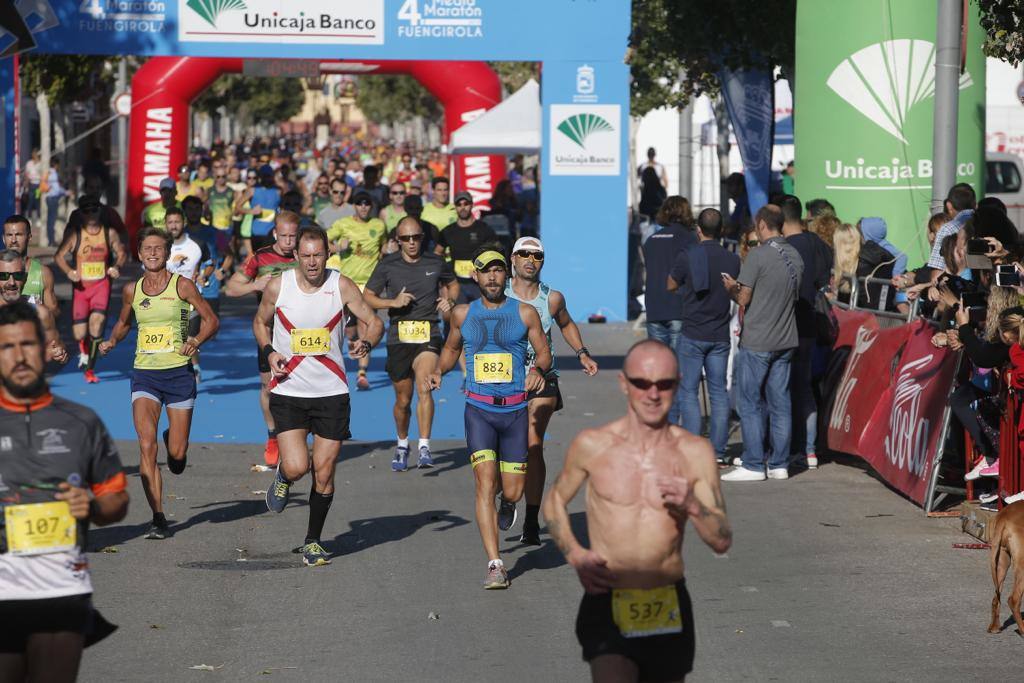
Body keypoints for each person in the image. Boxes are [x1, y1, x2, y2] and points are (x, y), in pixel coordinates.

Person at [543, 339, 731, 682]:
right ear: (624, 384)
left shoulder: (695, 453)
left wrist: (692, 504)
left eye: (664, 384)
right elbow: (554, 500)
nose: (653, 393)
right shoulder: (593, 445)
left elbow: (721, 539)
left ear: (678, 385)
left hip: (667, 601)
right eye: (642, 383)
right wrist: (576, 555)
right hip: (607, 598)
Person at [0, 301, 129, 682]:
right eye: (7, 347)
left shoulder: (80, 422)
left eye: (27, 344)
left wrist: (90, 506)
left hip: (60, 593)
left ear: (44, 350)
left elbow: (117, 500)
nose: (19, 356)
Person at [257, 226, 383, 566]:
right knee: (299, 467)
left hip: (331, 393)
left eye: (318, 255)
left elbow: (374, 322)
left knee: (324, 473)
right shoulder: (277, 285)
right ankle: (284, 475)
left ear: (328, 254)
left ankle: (313, 540)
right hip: (289, 391)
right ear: (295, 255)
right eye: (306, 255)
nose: (312, 263)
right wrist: (269, 352)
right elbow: (259, 321)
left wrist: (366, 342)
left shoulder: (340, 285)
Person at [426, 246, 550, 588]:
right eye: (486, 271)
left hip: (514, 411)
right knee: (485, 482)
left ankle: (509, 503)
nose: (493, 276)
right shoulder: (463, 314)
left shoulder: (525, 313)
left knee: (513, 489)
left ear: (505, 275)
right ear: (475, 276)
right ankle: (495, 564)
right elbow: (451, 349)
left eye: (498, 271)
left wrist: (538, 369)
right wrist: (439, 370)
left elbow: (544, 352)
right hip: (479, 410)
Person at [100, 227, 218, 538]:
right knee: (145, 445)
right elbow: (124, 323)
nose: (152, 253)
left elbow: (211, 320)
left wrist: (195, 340)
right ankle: (158, 516)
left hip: (179, 374)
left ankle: (175, 447)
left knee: (176, 455)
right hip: (145, 375)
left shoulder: (183, 286)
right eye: (147, 248)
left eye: (158, 249)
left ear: (167, 254)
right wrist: (112, 340)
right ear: (139, 254)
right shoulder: (132, 290)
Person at [506, 237, 598, 545]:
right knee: (501, 447)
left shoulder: (552, 298)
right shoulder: (497, 293)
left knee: (533, 445)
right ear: (513, 259)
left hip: (542, 376)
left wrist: (582, 352)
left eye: (537, 256)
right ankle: (507, 495)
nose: (530, 260)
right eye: (524, 254)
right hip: (502, 380)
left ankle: (531, 520)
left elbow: (566, 324)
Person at [363, 217, 457, 471]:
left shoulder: (435, 262)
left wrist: (450, 301)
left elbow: (453, 283)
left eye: (416, 237)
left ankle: (424, 445)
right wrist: (392, 303)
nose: (412, 242)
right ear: (398, 240)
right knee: (403, 401)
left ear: (421, 238)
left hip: (429, 333)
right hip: (398, 338)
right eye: (406, 239)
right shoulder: (387, 265)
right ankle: (403, 443)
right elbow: (368, 297)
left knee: (425, 387)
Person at [721, 205, 803, 481]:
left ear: (763, 225)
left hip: (758, 339)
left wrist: (731, 286)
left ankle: (754, 463)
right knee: (780, 402)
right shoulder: (794, 255)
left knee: (751, 402)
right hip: (786, 337)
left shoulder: (758, 255)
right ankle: (779, 463)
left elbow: (743, 299)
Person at [224, 212, 299, 466]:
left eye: (293, 236)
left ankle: (296, 439)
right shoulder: (260, 257)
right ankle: (272, 436)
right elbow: (231, 288)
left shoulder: (306, 255)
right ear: (275, 234)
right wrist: (254, 286)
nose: (289, 242)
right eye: (284, 236)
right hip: (268, 330)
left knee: (301, 387)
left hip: (300, 333)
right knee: (269, 386)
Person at [667, 208, 741, 465]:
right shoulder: (733, 260)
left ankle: (690, 450)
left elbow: (670, 284)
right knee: (718, 393)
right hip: (720, 334)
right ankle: (718, 452)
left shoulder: (688, 255)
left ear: (698, 229)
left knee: (688, 392)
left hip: (692, 332)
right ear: (722, 231)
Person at [780, 195, 833, 470]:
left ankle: (792, 449)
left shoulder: (784, 249)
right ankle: (810, 450)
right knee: (807, 390)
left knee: (787, 390)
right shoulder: (820, 245)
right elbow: (828, 282)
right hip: (813, 325)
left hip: (788, 326)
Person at [642, 196, 697, 425]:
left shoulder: (651, 240)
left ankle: (661, 420)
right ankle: (674, 422)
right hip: (679, 307)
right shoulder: (689, 239)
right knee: (678, 372)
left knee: (659, 372)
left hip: (654, 307)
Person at [53, 210, 126, 383]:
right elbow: (58, 256)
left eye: (95, 208)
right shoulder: (76, 234)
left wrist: (117, 267)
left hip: (101, 285)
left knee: (97, 323)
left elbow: (122, 253)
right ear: (83, 214)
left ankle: (90, 369)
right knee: (79, 333)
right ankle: (84, 351)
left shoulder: (109, 233)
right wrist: (69, 272)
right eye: (88, 209)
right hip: (81, 288)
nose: (91, 213)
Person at [326, 189, 386, 391]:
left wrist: (389, 250)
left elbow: (383, 247)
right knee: (350, 330)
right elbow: (322, 242)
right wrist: (336, 248)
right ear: (354, 206)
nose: (363, 207)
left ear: (371, 206)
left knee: (366, 325)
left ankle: (362, 374)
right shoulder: (344, 224)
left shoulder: (378, 225)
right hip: (349, 284)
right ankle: (353, 341)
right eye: (359, 203)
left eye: (367, 203)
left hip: (370, 285)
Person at [0, 250, 68, 364]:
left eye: (18, 275)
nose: (11, 282)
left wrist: (58, 353)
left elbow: (58, 346)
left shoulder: (40, 314)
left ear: (25, 278)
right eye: (3, 276)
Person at [435, 191, 496, 303]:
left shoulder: (484, 229)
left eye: (466, 203)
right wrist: (444, 276)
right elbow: (437, 253)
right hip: (456, 284)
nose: (463, 207)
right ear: (455, 207)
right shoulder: (448, 231)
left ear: (472, 205)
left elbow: (495, 254)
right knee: (457, 317)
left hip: (479, 283)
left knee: (481, 317)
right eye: (459, 204)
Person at [2, 214, 59, 316]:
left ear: (29, 237)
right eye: (9, 235)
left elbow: (53, 312)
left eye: (19, 235)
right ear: (3, 239)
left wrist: (34, 309)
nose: (14, 240)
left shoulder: (43, 273)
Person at [927, 183, 977, 274]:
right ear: (975, 204)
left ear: (949, 206)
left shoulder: (947, 229)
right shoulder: (986, 223)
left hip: (959, 284)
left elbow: (936, 273)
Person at [249, 167, 282, 252]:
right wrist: (251, 211)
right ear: (260, 177)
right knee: (258, 260)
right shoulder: (252, 190)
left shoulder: (278, 191)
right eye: (264, 176)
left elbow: (284, 208)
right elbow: (237, 207)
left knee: (269, 261)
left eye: (268, 176)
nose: (266, 178)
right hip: (256, 233)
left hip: (271, 233)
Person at [43, 158, 70, 247]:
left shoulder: (48, 173)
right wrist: (66, 192)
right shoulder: (54, 174)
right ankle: (51, 241)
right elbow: (57, 190)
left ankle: (50, 240)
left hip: (49, 198)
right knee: (52, 220)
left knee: (49, 220)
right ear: (56, 165)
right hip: (53, 199)